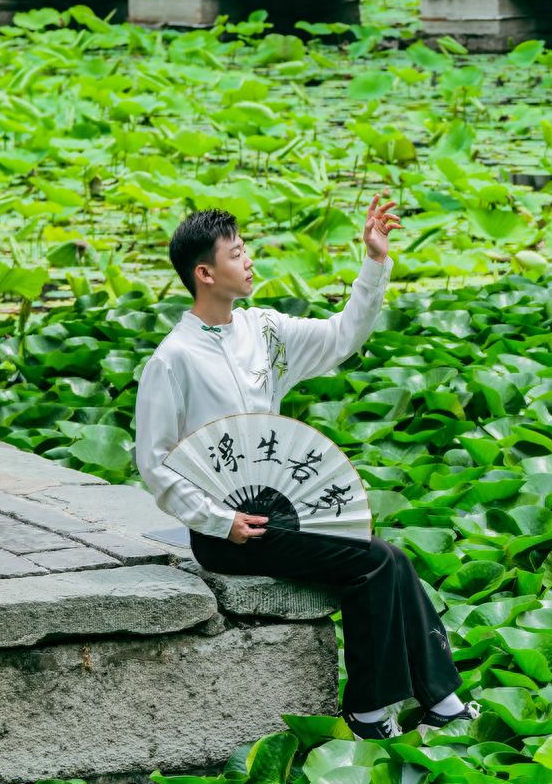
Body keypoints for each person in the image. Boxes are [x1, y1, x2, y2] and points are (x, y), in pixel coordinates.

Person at [134, 199, 474, 741]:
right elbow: (152, 462)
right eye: (236, 254)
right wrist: (219, 521)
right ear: (205, 273)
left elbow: (343, 337)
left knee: (386, 558)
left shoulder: (263, 331)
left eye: (245, 250)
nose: (248, 261)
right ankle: (386, 708)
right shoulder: (172, 359)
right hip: (227, 532)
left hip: (276, 510)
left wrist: (374, 263)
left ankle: (426, 699)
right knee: (376, 561)